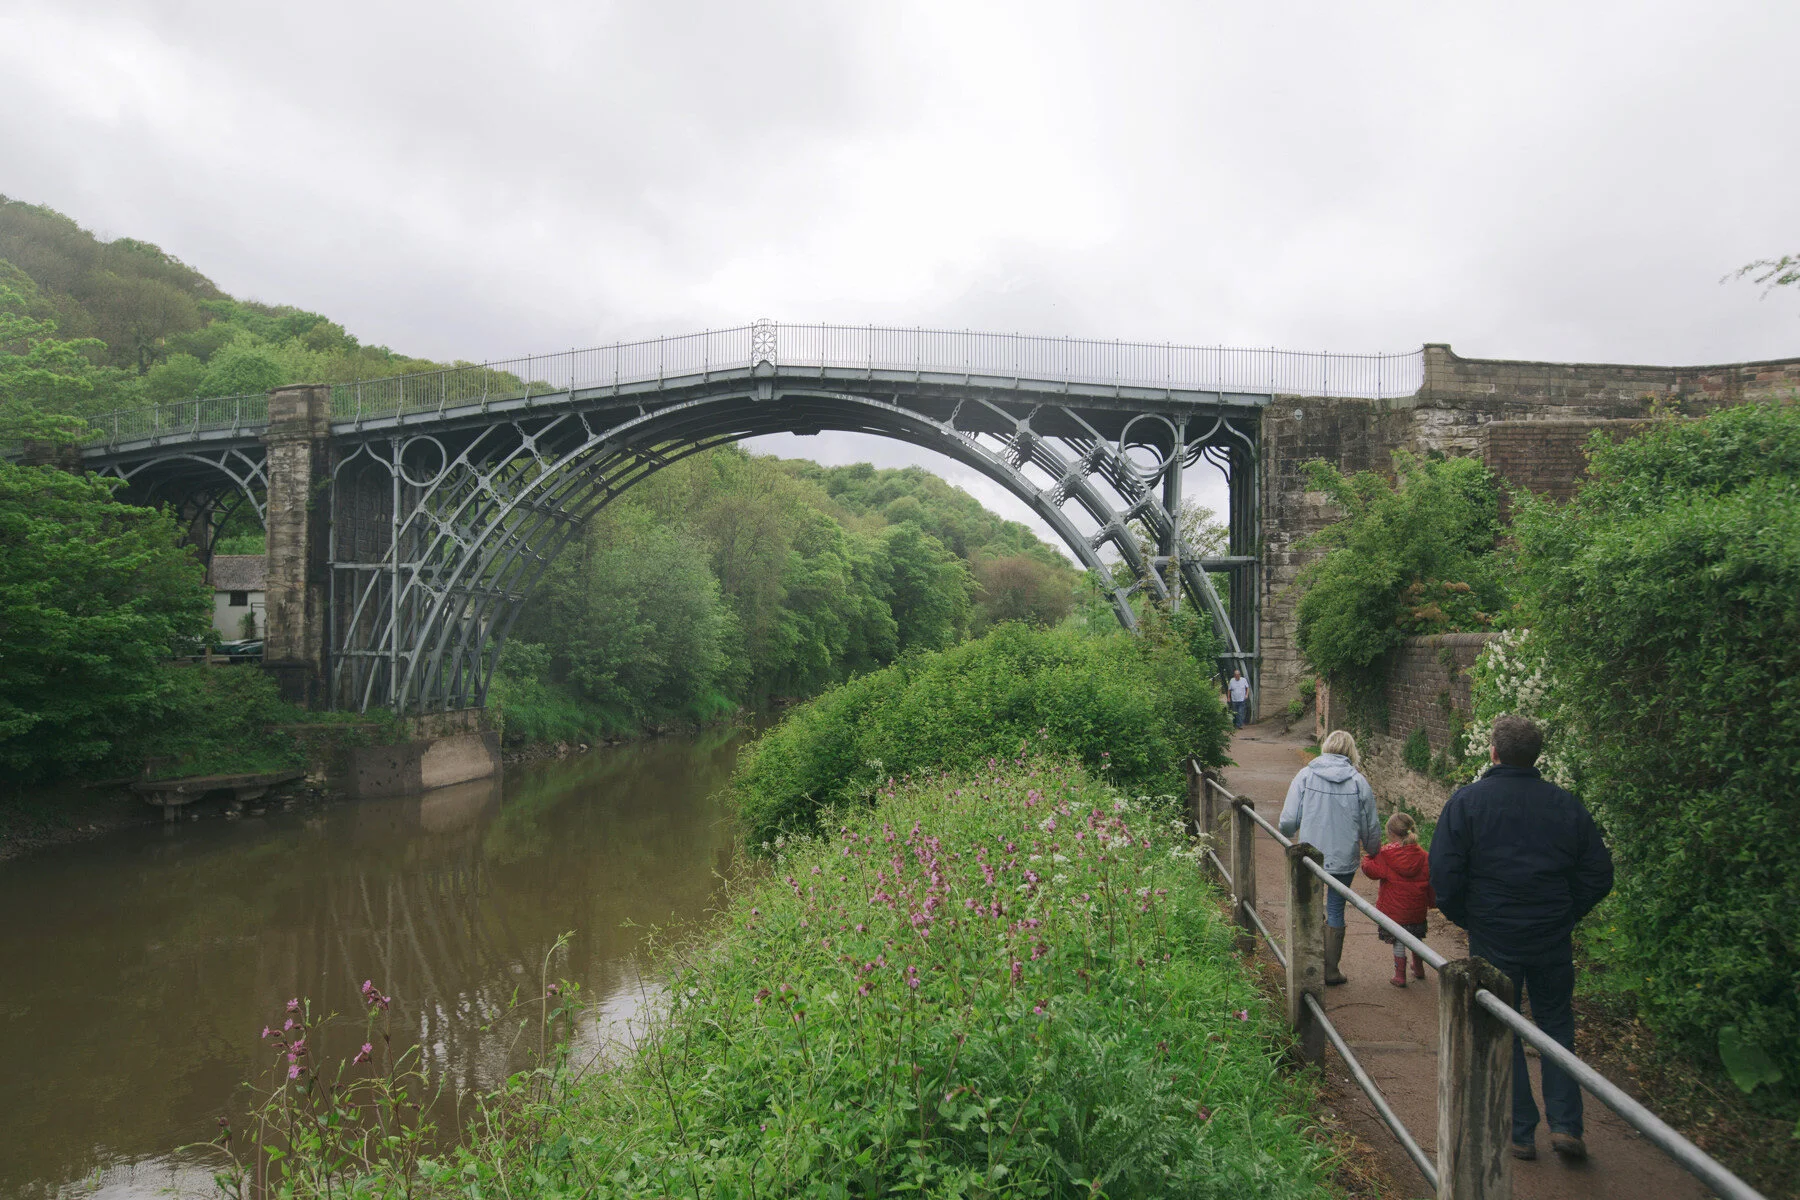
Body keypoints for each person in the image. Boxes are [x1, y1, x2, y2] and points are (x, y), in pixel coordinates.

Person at [1429, 714, 1614, 1164]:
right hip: (1550, 934)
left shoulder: (1468, 802)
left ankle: (1521, 1130)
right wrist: (1567, 912)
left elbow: (1444, 873)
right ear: (1536, 756)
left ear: (1493, 751)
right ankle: (1567, 1124)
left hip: (1494, 933)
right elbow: (1598, 873)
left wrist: (1468, 916)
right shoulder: (1565, 804)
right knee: (1556, 1022)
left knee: (1502, 1026)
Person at [1279, 730, 1381, 985]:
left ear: (1325, 747)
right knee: (1336, 909)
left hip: (1310, 855)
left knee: (1310, 906)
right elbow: (1370, 825)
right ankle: (1331, 970)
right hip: (1344, 856)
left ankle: (1308, 966)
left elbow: (1289, 820)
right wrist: (1373, 848)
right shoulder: (1359, 782)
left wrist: (1288, 833)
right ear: (1350, 751)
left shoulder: (1306, 775)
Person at [1362, 811, 1435, 988]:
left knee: (1399, 941)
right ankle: (1418, 968)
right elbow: (1431, 881)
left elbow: (1372, 871)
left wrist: (1368, 857)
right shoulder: (1424, 856)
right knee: (1416, 938)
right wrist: (1431, 902)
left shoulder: (1386, 855)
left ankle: (1400, 975)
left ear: (1391, 834)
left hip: (1394, 909)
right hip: (1417, 908)